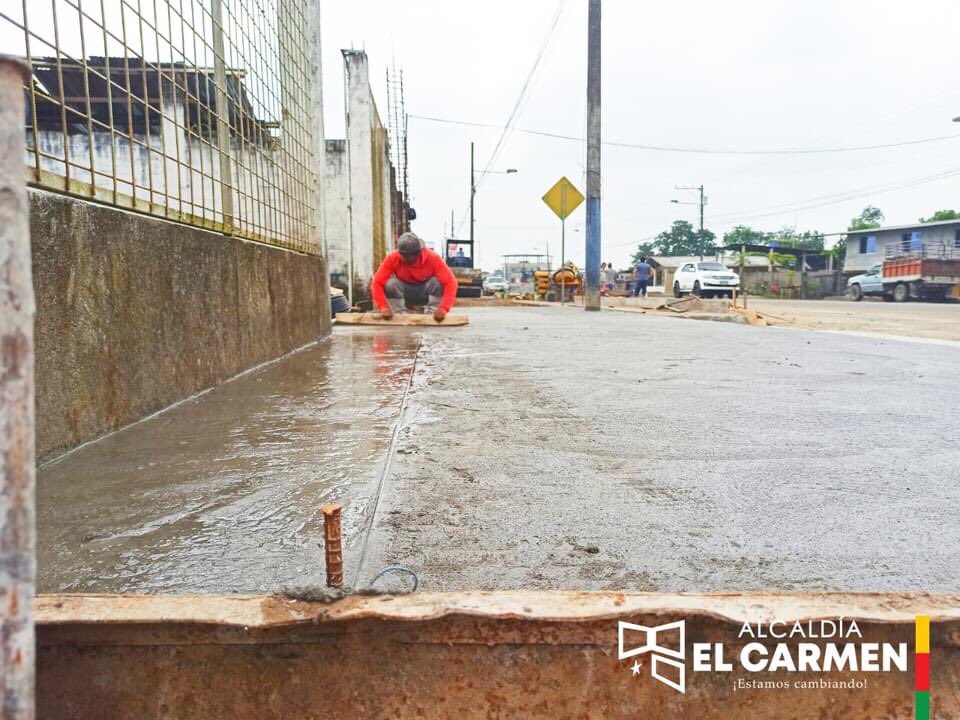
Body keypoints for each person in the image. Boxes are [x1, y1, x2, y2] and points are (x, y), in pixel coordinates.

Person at [371, 232, 457, 322]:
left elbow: (451, 283)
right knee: (391, 284)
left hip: (424, 294)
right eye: (401, 254)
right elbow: (377, 283)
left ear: (418, 253)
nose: (402, 258)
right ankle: (398, 312)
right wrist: (383, 307)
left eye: (407, 256)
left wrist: (443, 308)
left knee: (436, 282)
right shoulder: (393, 258)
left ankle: (432, 312)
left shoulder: (433, 258)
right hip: (404, 294)